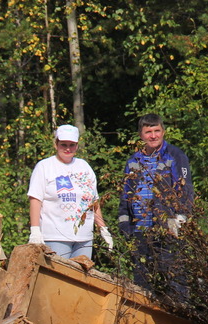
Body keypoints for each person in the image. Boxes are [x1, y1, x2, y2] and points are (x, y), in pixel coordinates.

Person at [117, 113, 194, 294]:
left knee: (175, 281)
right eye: (148, 132)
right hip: (140, 232)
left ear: (163, 131)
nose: (153, 136)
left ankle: (178, 320)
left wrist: (180, 218)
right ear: (141, 135)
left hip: (167, 230)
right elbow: (125, 194)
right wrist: (124, 225)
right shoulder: (133, 160)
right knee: (141, 285)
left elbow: (186, 189)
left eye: (157, 131)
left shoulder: (176, 156)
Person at [27, 124, 106, 260]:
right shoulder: (45, 167)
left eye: (72, 145)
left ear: (77, 145)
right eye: (64, 144)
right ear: (56, 144)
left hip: (84, 237)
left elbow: (93, 201)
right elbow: (35, 199)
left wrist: (103, 228)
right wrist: (35, 230)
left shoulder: (84, 166)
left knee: (80, 279)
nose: (68, 149)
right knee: (58, 278)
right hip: (55, 236)